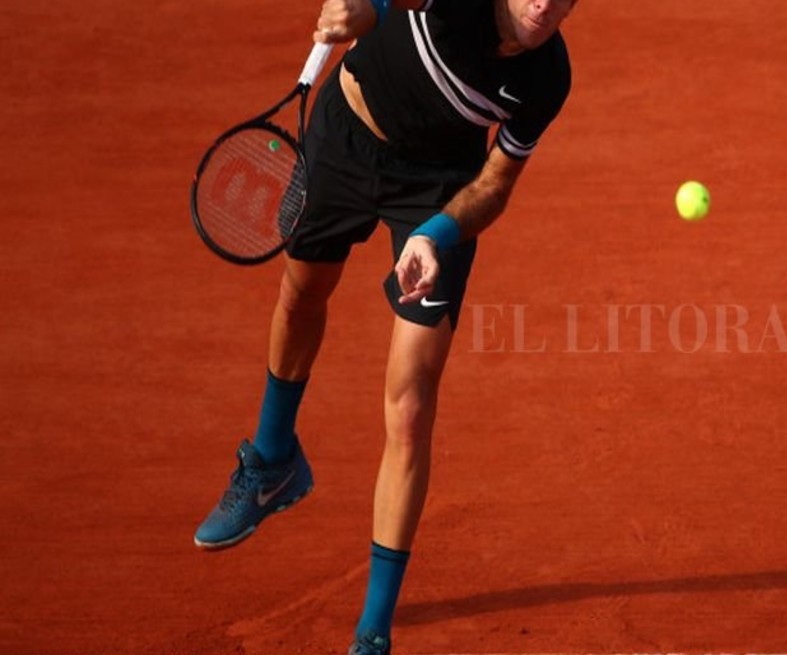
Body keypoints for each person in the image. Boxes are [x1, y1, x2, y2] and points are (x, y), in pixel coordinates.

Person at [192, 0, 577, 653]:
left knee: (410, 406)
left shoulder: (548, 78)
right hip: (343, 136)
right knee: (301, 296)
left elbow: (496, 183)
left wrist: (436, 233)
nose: (543, 1)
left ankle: (373, 628)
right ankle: (272, 459)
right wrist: (358, 12)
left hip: (437, 194)